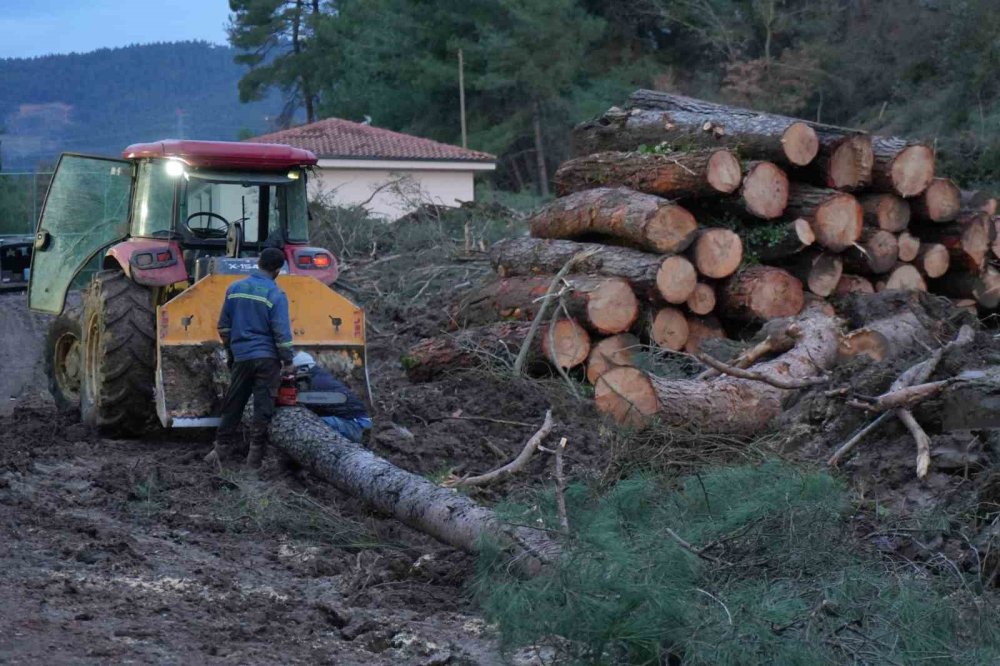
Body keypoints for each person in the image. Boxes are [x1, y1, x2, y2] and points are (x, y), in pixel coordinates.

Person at [205, 247, 294, 469]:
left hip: (242, 357)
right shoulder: (276, 294)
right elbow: (281, 332)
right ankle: (254, 460)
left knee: (234, 403)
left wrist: (233, 353)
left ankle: (219, 451)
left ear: (259, 263)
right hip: (267, 359)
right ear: (277, 270)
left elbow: (223, 326)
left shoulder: (234, 288)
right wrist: (288, 361)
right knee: (262, 407)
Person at [292, 351, 372, 443]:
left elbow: (308, 407)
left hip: (356, 425)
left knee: (308, 424)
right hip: (357, 422)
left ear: (302, 369)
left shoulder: (315, 382)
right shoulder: (318, 376)